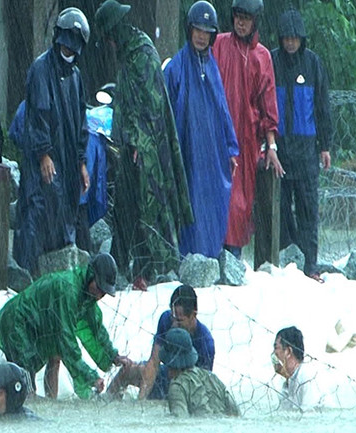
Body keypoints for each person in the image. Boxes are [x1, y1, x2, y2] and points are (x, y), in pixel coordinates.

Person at [95, 0, 193, 290]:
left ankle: (149, 267)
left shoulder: (143, 54)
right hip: (129, 145)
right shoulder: (128, 54)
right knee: (125, 206)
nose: (110, 43)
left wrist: (138, 141)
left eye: (111, 36)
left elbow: (151, 104)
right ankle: (118, 263)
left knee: (146, 206)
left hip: (147, 148)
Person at [12, 7, 91, 276]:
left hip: (68, 160)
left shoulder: (76, 76)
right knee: (37, 211)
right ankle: (27, 274)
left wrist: (81, 162)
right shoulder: (41, 69)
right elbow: (37, 115)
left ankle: (56, 275)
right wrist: (43, 153)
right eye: (65, 47)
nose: (68, 53)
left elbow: (82, 121)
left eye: (73, 50)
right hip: (41, 160)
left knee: (64, 212)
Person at [0, 253, 131, 399]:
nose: (100, 295)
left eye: (104, 292)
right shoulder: (69, 290)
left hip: (40, 324)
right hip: (17, 321)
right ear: (91, 275)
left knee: (55, 355)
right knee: (25, 379)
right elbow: (67, 342)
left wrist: (114, 356)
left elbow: (97, 330)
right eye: (99, 287)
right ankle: (23, 407)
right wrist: (90, 377)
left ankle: (52, 403)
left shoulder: (87, 297)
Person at [163, 1, 238, 259]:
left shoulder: (213, 67)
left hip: (212, 155)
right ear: (189, 29)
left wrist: (230, 147)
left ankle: (209, 256)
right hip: (186, 150)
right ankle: (188, 258)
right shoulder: (175, 67)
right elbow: (166, 113)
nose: (201, 36)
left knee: (214, 202)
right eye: (197, 30)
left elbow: (222, 109)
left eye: (207, 32)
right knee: (189, 204)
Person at [212, 0, 283, 259]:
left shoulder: (262, 56)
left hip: (246, 141)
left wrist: (271, 146)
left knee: (239, 203)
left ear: (255, 21)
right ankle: (210, 254)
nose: (241, 23)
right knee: (215, 197)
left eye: (246, 18)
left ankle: (233, 259)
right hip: (217, 136)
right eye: (237, 17)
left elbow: (268, 104)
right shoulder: (218, 44)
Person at [271, 9, 333, 282]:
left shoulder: (313, 64)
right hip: (280, 152)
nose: (291, 43)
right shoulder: (271, 62)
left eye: (295, 38)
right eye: (287, 38)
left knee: (308, 210)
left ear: (302, 39)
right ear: (281, 38)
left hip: (307, 153)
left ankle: (310, 264)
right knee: (282, 211)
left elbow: (322, 107)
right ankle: (286, 261)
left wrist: (325, 145)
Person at [106, 285, 215, 400]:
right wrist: (141, 401)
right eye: (173, 318)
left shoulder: (206, 344)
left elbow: (201, 388)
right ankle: (106, 402)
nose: (173, 325)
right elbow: (153, 363)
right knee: (127, 370)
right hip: (165, 375)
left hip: (185, 387)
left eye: (179, 320)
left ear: (193, 315)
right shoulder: (165, 319)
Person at [160, 327, 239, 417]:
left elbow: (180, 420)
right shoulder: (212, 377)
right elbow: (235, 412)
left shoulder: (177, 386)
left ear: (167, 359)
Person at [273, 326, 322, 411]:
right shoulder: (289, 382)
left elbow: (309, 416)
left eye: (276, 348)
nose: (273, 354)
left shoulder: (307, 378)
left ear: (288, 351)